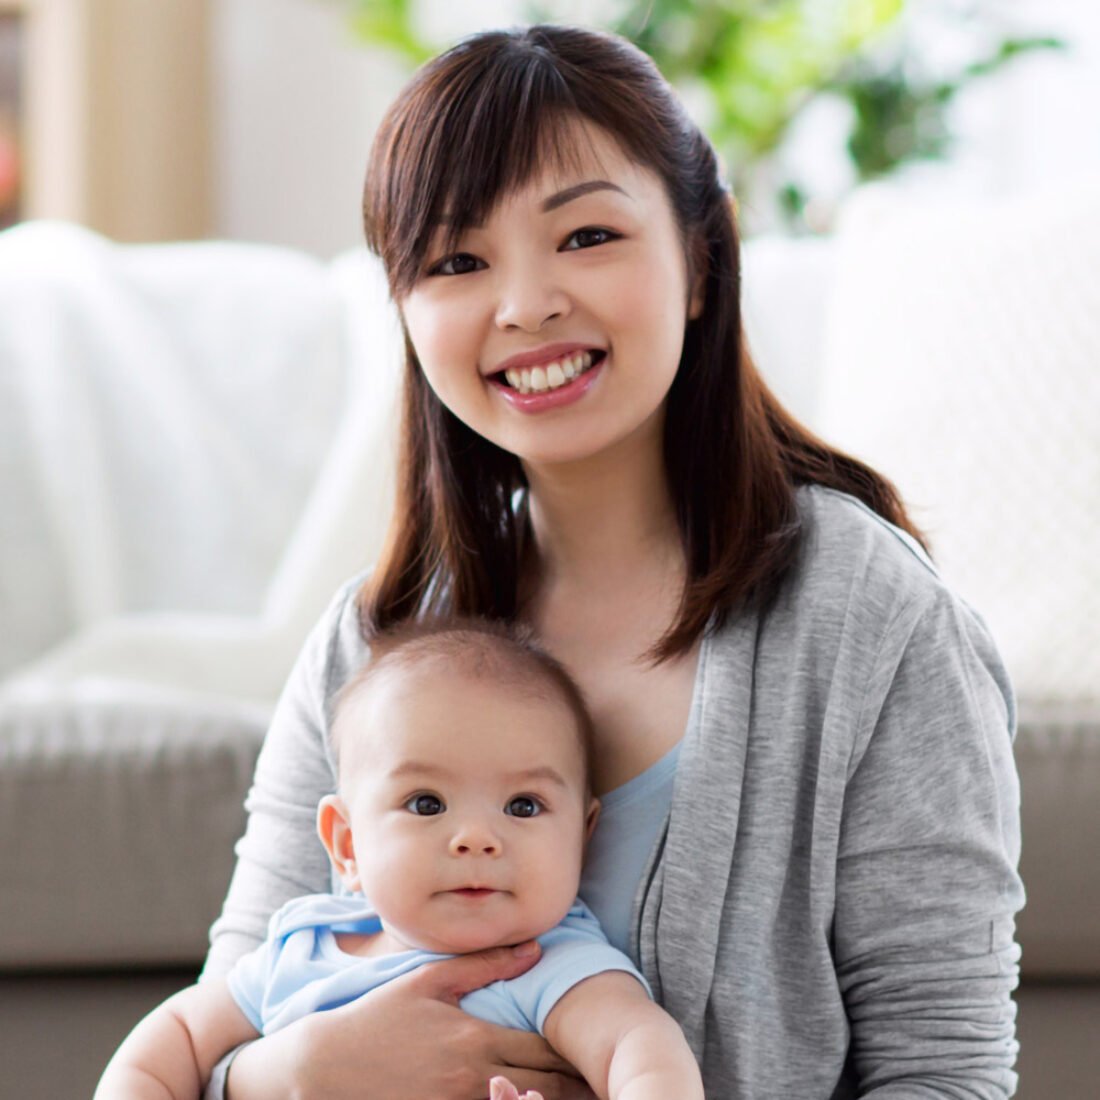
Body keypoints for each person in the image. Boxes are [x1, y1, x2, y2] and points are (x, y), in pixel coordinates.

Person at [200, 23, 1025, 1100]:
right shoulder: (370, 642)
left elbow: (945, 1070)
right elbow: (216, 1027)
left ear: (701, 261)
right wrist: (287, 1075)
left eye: (585, 236)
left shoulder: (871, 619)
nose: (526, 304)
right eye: (457, 261)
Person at [96, 620, 704, 1100]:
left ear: (582, 837)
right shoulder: (301, 949)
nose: (476, 839)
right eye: (426, 803)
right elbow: (173, 1038)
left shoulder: (551, 968)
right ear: (347, 845)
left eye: (523, 806)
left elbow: (641, 1047)